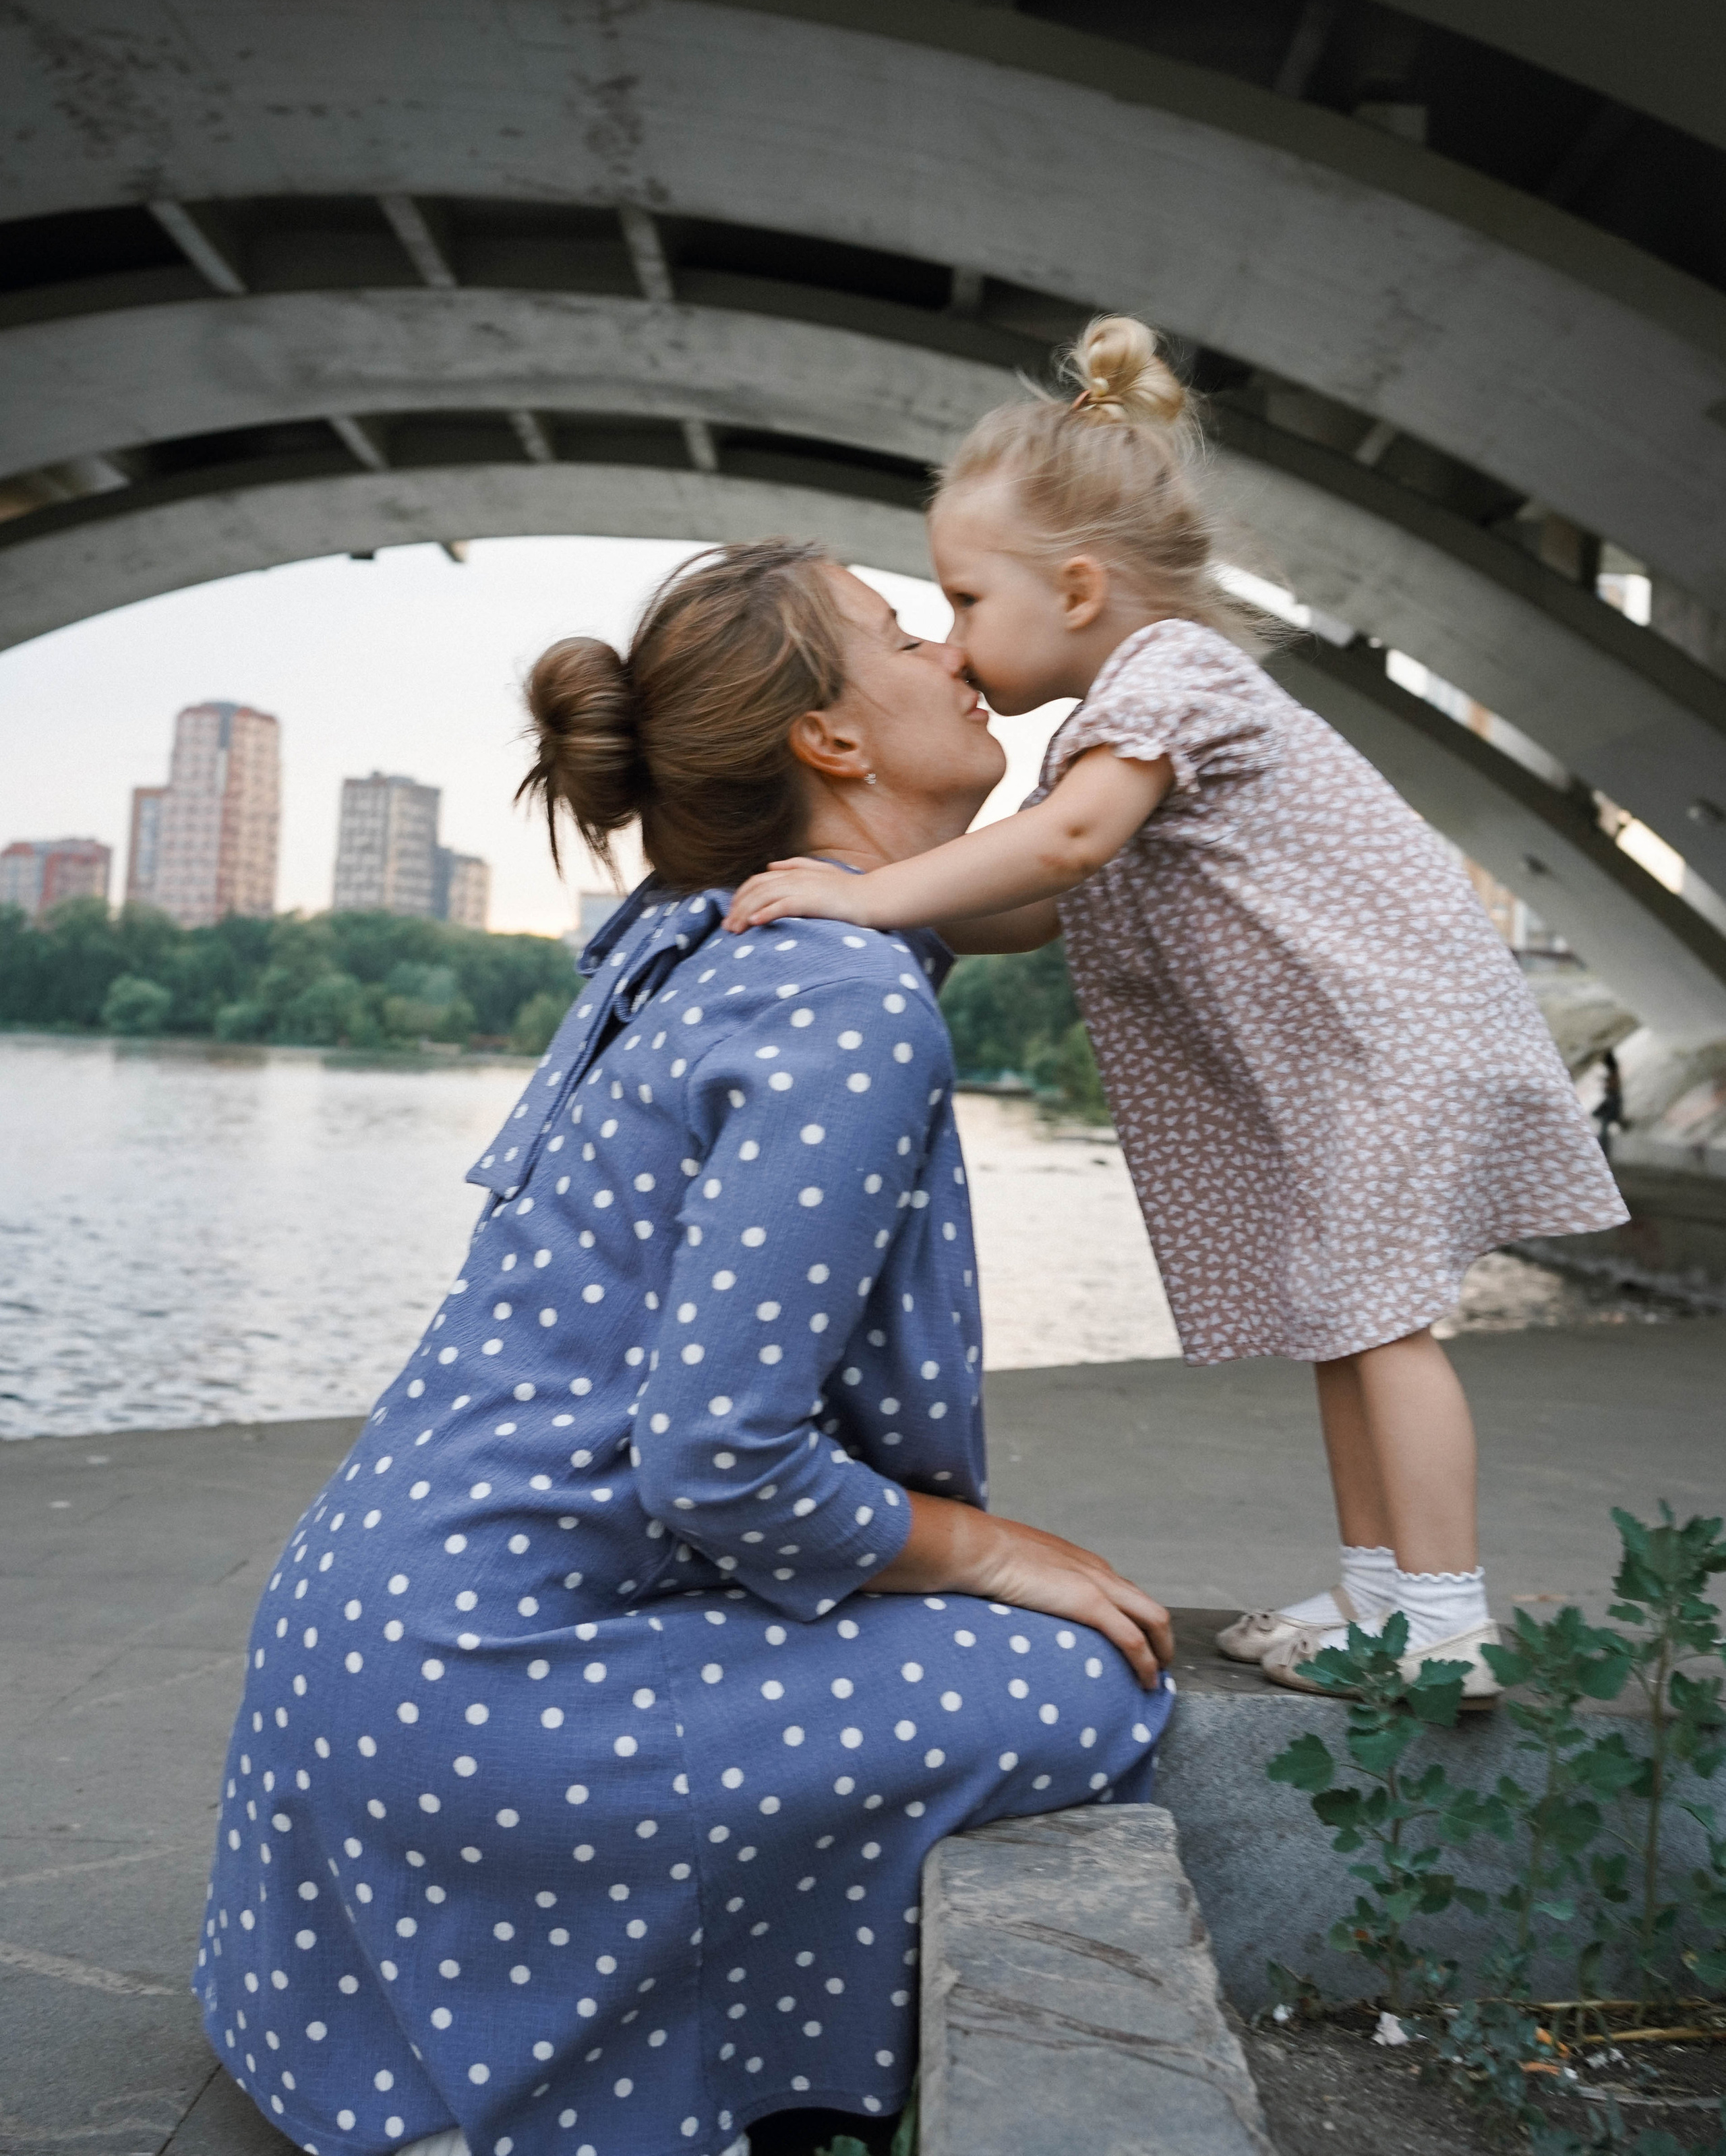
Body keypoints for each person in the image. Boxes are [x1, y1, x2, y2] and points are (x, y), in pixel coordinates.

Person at [196, 539, 1174, 2156]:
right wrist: (992, 1553)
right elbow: (717, 1460)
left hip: (349, 1657)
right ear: (830, 742)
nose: (950, 650)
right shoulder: (842, 1000)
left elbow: (1055, 886)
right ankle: (632, 2077)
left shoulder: (703, 945)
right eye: (896, 631)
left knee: (916, 1660)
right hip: (478, 1702)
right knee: (1078, 1679)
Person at [727, 319, 1629, 1706]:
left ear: (1077, 586)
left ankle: (1446, 1617)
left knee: (1385, 1329)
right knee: (1346, 1325)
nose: (955, 645)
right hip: (1339, 1059)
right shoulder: (1114, 726)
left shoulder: (1169, 682)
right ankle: (1377, 1595)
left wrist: (866, 899)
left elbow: (1064, 851)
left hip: (1383, 1039)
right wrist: (867, 892)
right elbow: (1027, 905)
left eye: (964, 601)